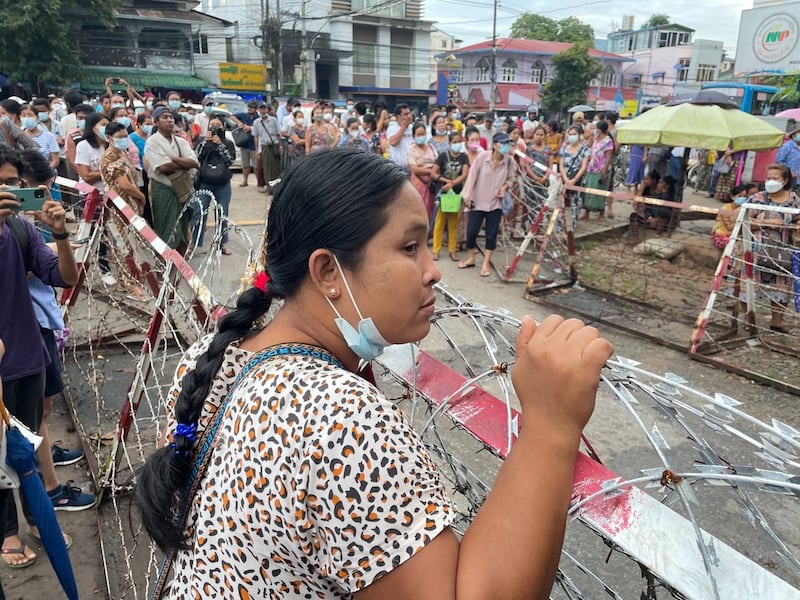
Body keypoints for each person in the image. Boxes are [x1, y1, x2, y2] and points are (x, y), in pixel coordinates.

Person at [136, 147, 613, 598]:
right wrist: (551, 424)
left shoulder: (214, 357)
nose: (433, 271)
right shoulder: (342, 419)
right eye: (409, 248)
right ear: (326, 272)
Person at [0, 144, 82, 569]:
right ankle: (7, 533)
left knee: (29, 448)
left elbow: (64, 277)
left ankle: (36, 519)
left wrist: (61, 234)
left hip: (27, 356)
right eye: (2, 184)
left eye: (14, 183)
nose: (10, 191)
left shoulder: (21, 229)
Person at [750, 163, 800, 334]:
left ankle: (777, 321)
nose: (770, 181)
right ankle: (749, 319)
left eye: (775, 178)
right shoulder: (757, 199)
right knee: (749, 284)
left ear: (785, 180)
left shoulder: (794, 201)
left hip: (783, 250)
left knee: (782, 285)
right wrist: (769, 223)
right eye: (768, 178)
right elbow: (743, 222)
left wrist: (789, 224)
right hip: (757, 249)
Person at [458, 132, 517, 277]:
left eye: (508, 144)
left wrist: (505, 187)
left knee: (491, 235)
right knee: (471, 232)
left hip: (495, 204)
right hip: (477, 201)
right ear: (495, 145)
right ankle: (471, 258)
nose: (506, 147)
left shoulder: (509, 161)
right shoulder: (483, 157)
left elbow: (511, 179)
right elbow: (472, 176)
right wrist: (467, 196)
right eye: (503, 144)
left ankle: (485, 263)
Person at [144, 105, 199, 252]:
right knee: (165, 230)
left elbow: (194, 163)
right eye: (164, 117)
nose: (169, 120)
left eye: (170, 117)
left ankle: (180, 264)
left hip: (182, 191)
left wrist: (173, 159)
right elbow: (163, 168)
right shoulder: (153, 142)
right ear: (156, 122)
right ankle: (165, 266)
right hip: (164, 191)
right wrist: (183, 163)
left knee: (183, 228)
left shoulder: (181, 142)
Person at [192, 116, 235, 254]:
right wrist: (206, 142)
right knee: (199, 212)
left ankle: (221, 244)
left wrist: (219, 145)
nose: (215, 128)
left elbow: (230, 160)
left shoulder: (227, 143)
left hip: (222, 184)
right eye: (212, 125)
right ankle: (194, 243)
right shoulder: (202, 141)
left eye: (218, 125)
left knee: (222, 214)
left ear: (223, 127)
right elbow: (196, 156)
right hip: (205, 182)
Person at [430, 131, 469, 262]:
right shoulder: (442, 156)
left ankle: (453, 250)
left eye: (459, 141)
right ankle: (435, 250)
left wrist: (452, 183)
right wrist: (445, 181)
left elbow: (464, 175)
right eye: (455, 142)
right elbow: (433, 173)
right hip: (443, 193)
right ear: (450, 143)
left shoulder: (464, 157)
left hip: (456, 194)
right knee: (439, 222)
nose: (457, 144)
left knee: (453, 223)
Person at [581, 120, 614, 220]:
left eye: (596, 129)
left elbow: (608, 157)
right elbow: (589, 147)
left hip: (601, 169)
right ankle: (586, 212)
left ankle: (601, 213)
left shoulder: (608, 141)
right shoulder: (595, 139)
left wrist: (604, 170)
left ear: (600, 130)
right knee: (588, 190)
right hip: (591, 168)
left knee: (600, 191)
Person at [406, 122, 438, 221]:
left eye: (423, 134)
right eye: (418, 135)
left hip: (432, 182)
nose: (421, 137)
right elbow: (414, 168)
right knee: (420, 206)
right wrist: (429, 171)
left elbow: (437, 162)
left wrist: (433, 171)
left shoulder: (431, 147)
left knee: (431, 206)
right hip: (419, 182)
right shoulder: (411, 149)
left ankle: (431, 231)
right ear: (413, 136)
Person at [560, 125, 590, 219]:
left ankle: (573, 223)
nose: (572, 136)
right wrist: (565, 179)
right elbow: (561, 165)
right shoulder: (564, 149)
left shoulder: (585, 150)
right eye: (570, 134)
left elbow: (583, 166)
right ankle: (561, 224)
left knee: (576, 202)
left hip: (578, 180)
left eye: (574, 134)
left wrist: (574, 179)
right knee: (561, 202)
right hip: (564, 178)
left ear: (580, 135)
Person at [19, 104, 60, 170]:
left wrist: (46, 172)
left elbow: (55, 160)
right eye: (23, 116)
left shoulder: (49, 136)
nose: (26, 118)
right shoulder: (19, 137)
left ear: (37, 118)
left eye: (30, 115)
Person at [230, 100, 259, 187]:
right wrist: (239, 123)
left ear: (255, 108)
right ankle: (245, 181)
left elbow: (259, 128)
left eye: (252, 107)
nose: (250, 109)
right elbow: (231, 116)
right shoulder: (243, 115)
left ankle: (259, 182)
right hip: (244, 143)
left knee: (256, 166)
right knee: (245, 164)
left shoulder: (258, 118)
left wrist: (250, 128)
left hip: (254, 144)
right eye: (249, 107)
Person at [253, 102, 281, 185]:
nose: (263, 110)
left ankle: (276, 186)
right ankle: (268, 187)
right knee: (266, 168)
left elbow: (278, 134)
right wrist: (257, 150)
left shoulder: (273, 120)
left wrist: (280, 146)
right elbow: (256, 137)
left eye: (264, 108)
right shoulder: (256, 122)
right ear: (258, 110)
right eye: (261, 109)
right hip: (264, 147)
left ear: (267, 109)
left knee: (276, 168)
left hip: (274, 146)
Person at [387, 103, 414, 171]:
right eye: (405, 114)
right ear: (397, 117)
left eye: (409, 113)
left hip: (412, 167)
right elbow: (393, 142)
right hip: (397, 167)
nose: (409, 116)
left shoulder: (413, 128)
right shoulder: (392, 128)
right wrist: (404, 127)